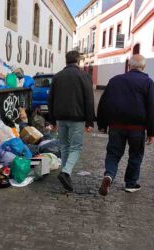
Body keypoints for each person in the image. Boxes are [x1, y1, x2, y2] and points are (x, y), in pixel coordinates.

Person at [97, 54, 154, 196]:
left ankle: (109, 175)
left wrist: (102, 124)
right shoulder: (148, 82)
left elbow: (104, 103)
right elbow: (152, 107)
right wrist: (152, 131)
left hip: (116, 126)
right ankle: (131, 184)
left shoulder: (115, 80)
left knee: (113, 154)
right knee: (135, 155)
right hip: (137, 129)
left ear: (129, 66)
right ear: (143, 67)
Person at [48, 50, 95, 192]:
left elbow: (51, 99)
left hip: (60, 117)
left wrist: (52, 120)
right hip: (77, 118)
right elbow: (89, 99)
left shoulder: (57, 76)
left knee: (65, 146)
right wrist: (90, 121)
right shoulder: (84, 76)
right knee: (76, 147)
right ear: (78, 61)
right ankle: (66, 172)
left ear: (66, 61)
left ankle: (65, 174)